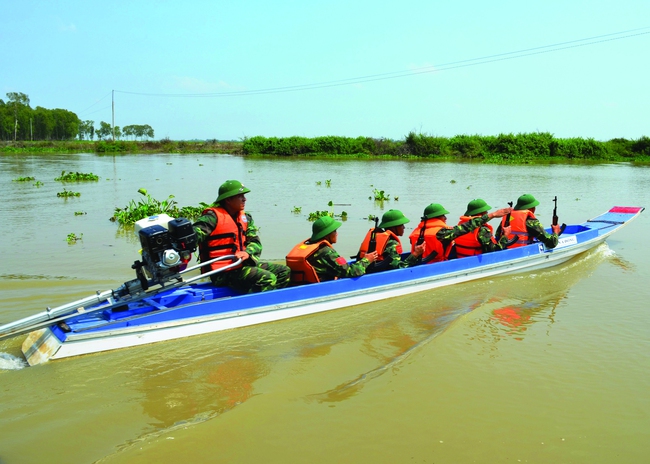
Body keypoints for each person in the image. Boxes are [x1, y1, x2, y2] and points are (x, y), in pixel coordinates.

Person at [192, 179, 290, 293]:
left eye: (244, 195)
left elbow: (255, 242)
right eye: (240, 196)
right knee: (267, 278)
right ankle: (254, 305)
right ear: (228, 199)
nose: (245, 199)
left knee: (284, 272)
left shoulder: (246, 218)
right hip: (223, 272)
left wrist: (247, 252)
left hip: (241, 265)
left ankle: (270, 299)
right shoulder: (211, 217)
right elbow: (195, 234)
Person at [286, 216, 378, 284]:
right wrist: (367, 260)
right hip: (320, 288)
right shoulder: (326, 251)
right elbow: (351, 271)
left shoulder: (310, 246)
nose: (337, 234)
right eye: (334, 231)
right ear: (327, 234)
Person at [408, 203, 511, 263]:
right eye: (443, 216)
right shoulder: (442, 233)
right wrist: (504, 235)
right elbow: (466, 227)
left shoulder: (417, 231)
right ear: (436, 218)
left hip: (418, 264)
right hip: (437, 267)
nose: (446, 218)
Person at [356, 209, 425, 272]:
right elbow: (400, 268)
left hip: (365, 269)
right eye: (401, 225)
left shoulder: (373, 237)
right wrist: (416, 254)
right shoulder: (392, 243)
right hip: (379, 274)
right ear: (393, 227)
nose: (404, 227)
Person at [495, 193, 561, 249]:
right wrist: (556, 231)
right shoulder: (530, 221)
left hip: (505, 249)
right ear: (532, 208)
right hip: (522, 251)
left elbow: (497, 235)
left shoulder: (507, 217)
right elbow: (552, 243)